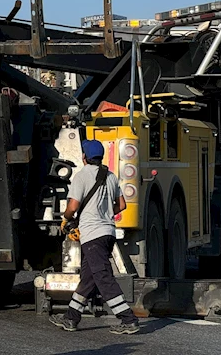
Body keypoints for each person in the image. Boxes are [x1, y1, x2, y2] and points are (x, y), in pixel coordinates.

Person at [50, 139, 139, 335]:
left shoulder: (81, 176)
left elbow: (72, 207)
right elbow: (122, 205)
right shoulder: (111, 176)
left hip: (92, 235)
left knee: (103, 277)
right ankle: (71, 318)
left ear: (84, 157)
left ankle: (128, 319)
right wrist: (105, 214)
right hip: (108, 233)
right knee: (88, 278)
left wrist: (65, 220)